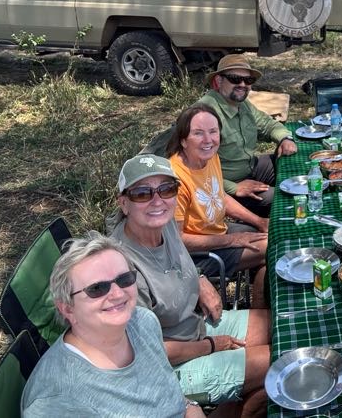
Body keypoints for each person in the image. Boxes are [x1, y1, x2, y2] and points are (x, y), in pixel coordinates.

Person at [110, 154, 271, 416]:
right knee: (280, 363)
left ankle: (243, 399)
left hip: (195, 324)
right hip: (168, 367)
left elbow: (181, 260)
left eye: (166, 189)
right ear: (124, 203)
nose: (157, 200)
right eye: (142, 193)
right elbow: (146, 351)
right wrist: (210, 346)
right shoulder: (121, 269)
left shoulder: (165, 225)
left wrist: (200, 278)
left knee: (283, 333)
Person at [21, 232, 202, 417]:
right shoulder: (58, 399)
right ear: (68, 309)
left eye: (124, 279)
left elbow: (168, 389)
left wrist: (190, 406)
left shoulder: (143, 322)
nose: (117, 294)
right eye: (97, 288)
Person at [167, 103, 269, 306]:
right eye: (198, 133)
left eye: (213, 132)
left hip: (220, 232)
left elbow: (218, 195)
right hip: (196, 255)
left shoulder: (209, 156)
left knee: (277, 232)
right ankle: (259, 316)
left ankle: (261, 302)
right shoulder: (174, 180)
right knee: (273, 248)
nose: (208, 140)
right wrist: (233, 240)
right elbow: (177, 241)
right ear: (183, 140)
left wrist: (259, 221)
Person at [199, 53, 297, 216]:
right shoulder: (204, 115)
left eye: (248, 80)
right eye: (235, 79)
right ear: (218, 81)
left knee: (295, 164)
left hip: (251, 166)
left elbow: (268, 124)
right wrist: (234, 188)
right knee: (286, 197)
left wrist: (285, 138)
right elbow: (194, 173)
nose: (242, 84)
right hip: (226, 185)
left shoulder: (241, 103)